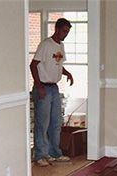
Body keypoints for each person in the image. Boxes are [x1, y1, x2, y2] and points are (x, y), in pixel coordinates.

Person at [30, 18, 74, 167]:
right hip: (43, 87)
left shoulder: (61, 46)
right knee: (42, 123)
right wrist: (39, 86)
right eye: (64, 31)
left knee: (56, 122)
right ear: (57, 29)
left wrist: (68, 73)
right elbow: (33, 65)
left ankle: (54, 152)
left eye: (68, 32)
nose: (66, 34)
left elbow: (58, 65)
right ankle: (40, 155)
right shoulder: (45, 45)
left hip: (54, 88)